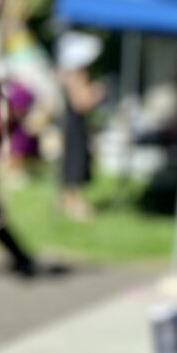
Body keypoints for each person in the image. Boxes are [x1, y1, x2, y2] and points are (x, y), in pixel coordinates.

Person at [55, 31, 105, 221]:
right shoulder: (78, 74)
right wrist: (96, 94)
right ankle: (73, 203)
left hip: (71, 124)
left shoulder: (69, 73)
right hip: (76, 125)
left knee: (70, 163)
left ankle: (67, 199)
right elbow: (80, 103)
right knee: (76, 164)